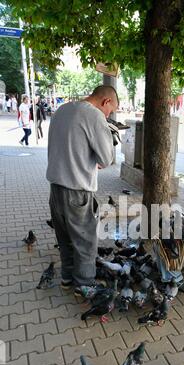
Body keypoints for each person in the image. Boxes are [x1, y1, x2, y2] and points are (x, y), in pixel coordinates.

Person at [46, 85, 119, 293]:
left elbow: (67, 146)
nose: (108, 114)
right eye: (110, 110)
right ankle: (84, 286)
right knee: (85, 241)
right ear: (106, 102)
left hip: (55, 188)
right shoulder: (94, 116)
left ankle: (67, 279)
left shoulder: (62, 110)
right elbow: (106, 159)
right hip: (77, 190)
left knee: (64, 237)